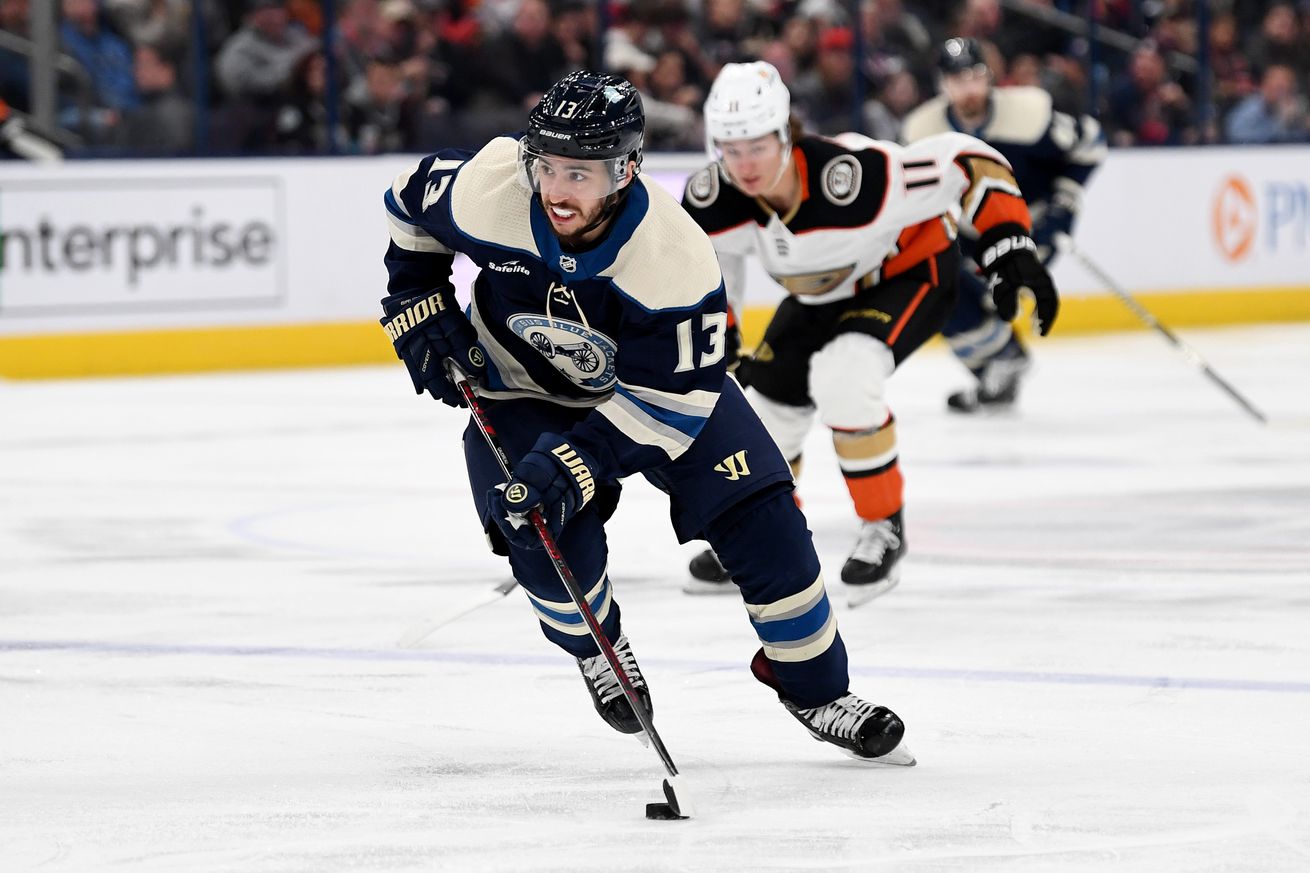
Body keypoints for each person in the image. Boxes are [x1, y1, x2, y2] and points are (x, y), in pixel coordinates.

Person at [379, 70, 914, 765]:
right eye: (546, 165)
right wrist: (417, 299)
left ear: (626, 168)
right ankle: (600, 647)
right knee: (536, 525)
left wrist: (579, 461)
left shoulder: (676, 255)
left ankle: (814, 688)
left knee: (764, 516)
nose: (555, 189)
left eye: (579, 172)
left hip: (661, 394)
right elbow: (409, 206)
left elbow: (674, 401)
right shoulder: (492, 188)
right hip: (517, 384)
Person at [680, 60, 1058, 601]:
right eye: (730, 149)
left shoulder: (857, 178)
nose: (745, 165)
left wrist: (1009, 240)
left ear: (787, 132)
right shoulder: (713, 198)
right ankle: (766, 532)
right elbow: (709, 269)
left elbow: (971, 160)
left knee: (845, 376)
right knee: (761, 407)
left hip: (910, 272)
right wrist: (723, 333)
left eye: (758, 146)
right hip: (821, 293)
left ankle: (884, 526)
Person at [902, 37, 1104, 412]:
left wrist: (1065, 203)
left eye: (976, 76)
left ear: (990, 77)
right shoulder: (921, 132)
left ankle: (1002, 361)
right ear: (942, 84)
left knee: (978, 299)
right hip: (968, 236)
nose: (969, 88)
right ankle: (999, 372)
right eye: (958, 79)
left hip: (1030, 231)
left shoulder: (1030, 114)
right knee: (934, 294)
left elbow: (1091, 144)